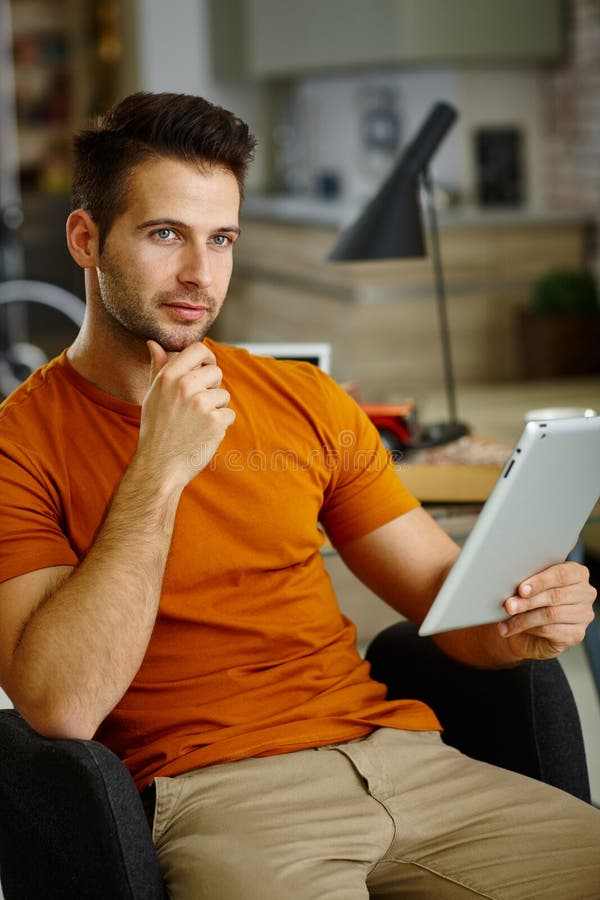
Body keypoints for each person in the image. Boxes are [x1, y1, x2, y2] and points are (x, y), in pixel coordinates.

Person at [0, 91, 598, 899]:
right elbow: (60, 708)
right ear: (86, 238)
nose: (198, 275)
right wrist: (160, 469)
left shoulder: (304, 401)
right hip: (220, 797)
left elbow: (445, 604)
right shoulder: (19, 441)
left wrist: (525, 621)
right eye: (165, 234)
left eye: (221, 240)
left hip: (410, 763)